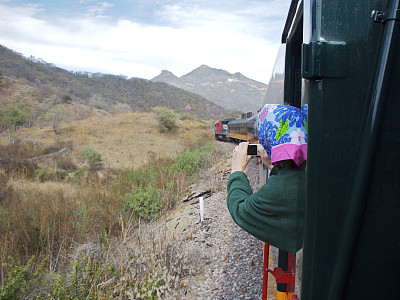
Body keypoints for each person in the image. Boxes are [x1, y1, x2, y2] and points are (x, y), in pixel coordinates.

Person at [227, 104, 308, 254]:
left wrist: (237, 170)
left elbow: (240, 210)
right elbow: (289, 175)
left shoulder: (280, 189)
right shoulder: (308, 172)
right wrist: (272, 165)